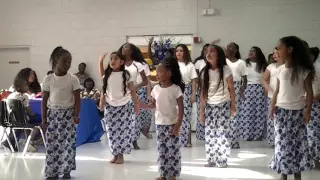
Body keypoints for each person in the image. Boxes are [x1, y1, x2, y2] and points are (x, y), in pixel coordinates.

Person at [269, 36, 314, 180]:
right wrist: (272, 106)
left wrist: (307, 111)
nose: (277, 51)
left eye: (279, 47)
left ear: (290, 49)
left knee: (297, 143)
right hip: (281, 111)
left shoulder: (303, 71)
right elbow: (277, 90)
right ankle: (283, 173)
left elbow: (309, 93)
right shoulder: (280, 69)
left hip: (298, 113)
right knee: (282, 143)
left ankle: (297, 173)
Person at [140, 56, 184, 180]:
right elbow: (152, 105)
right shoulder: (156, 89)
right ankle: (163, 173)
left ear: (169, 73)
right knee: (162, 150)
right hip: (160, 125)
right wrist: (141, 104)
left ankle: (172, 174)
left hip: (172, 124)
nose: (157, 74)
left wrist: (178, 125)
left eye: (160, 72)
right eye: (156, 72)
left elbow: (181, 109)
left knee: (173, 151)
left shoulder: (176, 89)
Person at [99, 43, 148, 150]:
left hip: (128, 97)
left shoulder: (136, 66)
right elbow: (104, 83)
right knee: (112, 128)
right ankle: (115, 151)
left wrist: (136, 91)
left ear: (131, 50)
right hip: (112, 103)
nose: (124, 48)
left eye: (127, 47)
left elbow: (144, 81)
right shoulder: (110, 72)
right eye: (111, 59)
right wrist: (101, 61)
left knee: (129, 123)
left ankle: (132, 141)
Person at [42, 46, 81, 179]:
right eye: (64, 61)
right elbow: (44, 100)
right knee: (52, 144)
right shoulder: (48, 79)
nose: (68, 64)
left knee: (67, 144)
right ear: (55, 61)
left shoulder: (73, 79)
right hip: (52, 115)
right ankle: (52, 171)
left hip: (68, 115)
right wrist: (44, 119)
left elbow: (77, 100)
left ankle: (66, 171)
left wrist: (76, 115)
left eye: (69, 62)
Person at [99, 51, 139, 165]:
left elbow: (132, 90)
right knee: (111, 131)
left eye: (115, 58)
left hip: (124, 106)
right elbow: (103, 88)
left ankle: (120, 155)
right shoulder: (107, 74)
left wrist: (136, 104)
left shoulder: (126, 74)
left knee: (121, 132)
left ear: (121, 62)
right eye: (111, 59)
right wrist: (100, 61)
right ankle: (115, 154)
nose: (112, 61)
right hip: (110, 107)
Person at [199, 44, 236, 168]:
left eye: (211, 51)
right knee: (210, 134)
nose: (208, 54)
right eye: (207, 52)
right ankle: (211, 159)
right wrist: (201, 111)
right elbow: (203, 93)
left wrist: (233, 105)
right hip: (210, 106)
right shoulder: (204, 71)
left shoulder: (225, 69)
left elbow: (231, 89)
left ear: (218, 55)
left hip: (223, 104)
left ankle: (222, 159)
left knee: (222, 133)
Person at [240, 46, 268, 141]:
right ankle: (247, 135)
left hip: (260, 89)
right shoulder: (244, 63)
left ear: (258, 53)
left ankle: (258, 135)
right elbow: (243, 79)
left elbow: (266, 79)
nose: (250, 52)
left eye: (253, 51)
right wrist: (242, 91)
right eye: (250, 50)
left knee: (259, 112)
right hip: (248, 89)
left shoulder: (263, 65)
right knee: (247, 113)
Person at [5, 77, 39, 152]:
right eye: (26, 86)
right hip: (21, 122)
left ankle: (16, 142)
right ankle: (29, 142)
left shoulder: (10, 96)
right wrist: (35, 115)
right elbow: (30, 113)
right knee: (37, 125)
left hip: (9, 121)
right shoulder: (24, 97)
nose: (28, 87)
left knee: (22, 125)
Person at [226, 42, 247, 148]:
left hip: (236, 86)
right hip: (225, 87)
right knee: (225, 114)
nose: (228, 48)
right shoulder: (223, 61)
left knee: (234, 114)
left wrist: (241, 90)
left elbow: (245, 79)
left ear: (235, 50)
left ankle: (234, 141)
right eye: (227, 46)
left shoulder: (241, 62)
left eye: (231, 46)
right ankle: (225, 140)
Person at [261, 47, 284, 147]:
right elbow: (263, 79)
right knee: (271, 118)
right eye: (273, 53)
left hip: (284, 97)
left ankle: (282, 140)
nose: (274, 55)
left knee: (282, 119)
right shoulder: (271, 66)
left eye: (276, 53)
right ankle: (272, 141)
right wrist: (268, 88)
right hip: (272, 96)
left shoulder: (288, 66)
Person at [175, 44, 197, 147]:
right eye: (177, 51)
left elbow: (193, 81)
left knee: (185, 116)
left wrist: (193, 94)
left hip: (186, 90)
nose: (178, 52)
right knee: (175, 115)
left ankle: (187, 140)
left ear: (185, 53)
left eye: (181, 51)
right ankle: (176, 139)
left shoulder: (190, 65)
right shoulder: (172, 64)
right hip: (174, 91)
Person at [308, 46, 320, 169]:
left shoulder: (317, 68)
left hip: (314, 104)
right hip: (305, 103)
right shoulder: (305, 69)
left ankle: (315, 159)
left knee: (313, 133)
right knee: (311, 132)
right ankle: (312, 159)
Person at [194, 44, 210, 141]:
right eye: (204, 50)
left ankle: (210, 132)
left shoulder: (215, 62)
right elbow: (195, 76)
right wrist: (201, 83)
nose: (206, 52)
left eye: (208, 50)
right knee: (201, 109)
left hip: (213, 89)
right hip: (202, 88)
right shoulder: (199, 62)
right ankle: (201, 134)